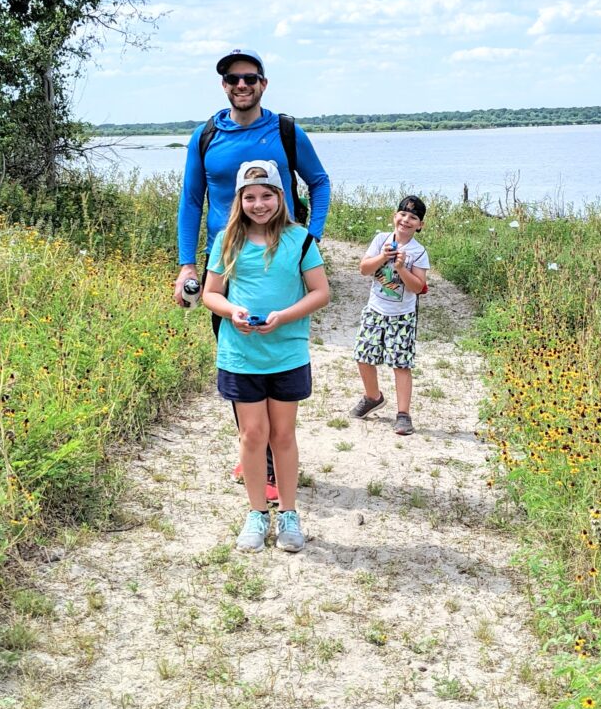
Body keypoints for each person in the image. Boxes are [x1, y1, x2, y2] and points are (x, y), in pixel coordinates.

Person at [174, 47, 331, 501]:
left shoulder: (283, 130)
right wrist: (188, 263)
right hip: (227, 262)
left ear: (263, 83)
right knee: (237, 358)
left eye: (250, 78)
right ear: (223, 85)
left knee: (276, 355)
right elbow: (191, 201)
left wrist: (311, 237)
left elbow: (319, 181)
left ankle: (264, 460)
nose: (241, 85)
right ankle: (254, 454)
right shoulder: (206, 136)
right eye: (232, 79)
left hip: (280, 259)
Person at [202, 160, 329, 552]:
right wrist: (231, 312)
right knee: (252, 435)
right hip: (240, 355)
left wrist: (284, 317)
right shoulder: (227, 240)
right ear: (240, 200)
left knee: (282, 435)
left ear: (280, 197)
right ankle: (257, 513)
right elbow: (211, 292)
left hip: (287, 354)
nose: (259, 204)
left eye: (267, 195)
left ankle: (288, 513)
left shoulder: (301, 241)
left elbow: (320, 293)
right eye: (250, 197)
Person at [350, 195, 430, 436]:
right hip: (375, 309)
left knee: (401, 363)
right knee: (363, 356)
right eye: (402, 214)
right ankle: (373, 396)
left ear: (420, 225)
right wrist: (383, 257)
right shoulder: (380, 240)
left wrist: (401, 268)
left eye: (413, 217)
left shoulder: (419, 252)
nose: (406, 220)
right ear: (394, 217)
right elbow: (364, 269)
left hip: (402, 315)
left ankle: (403, 414)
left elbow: (418, 287)